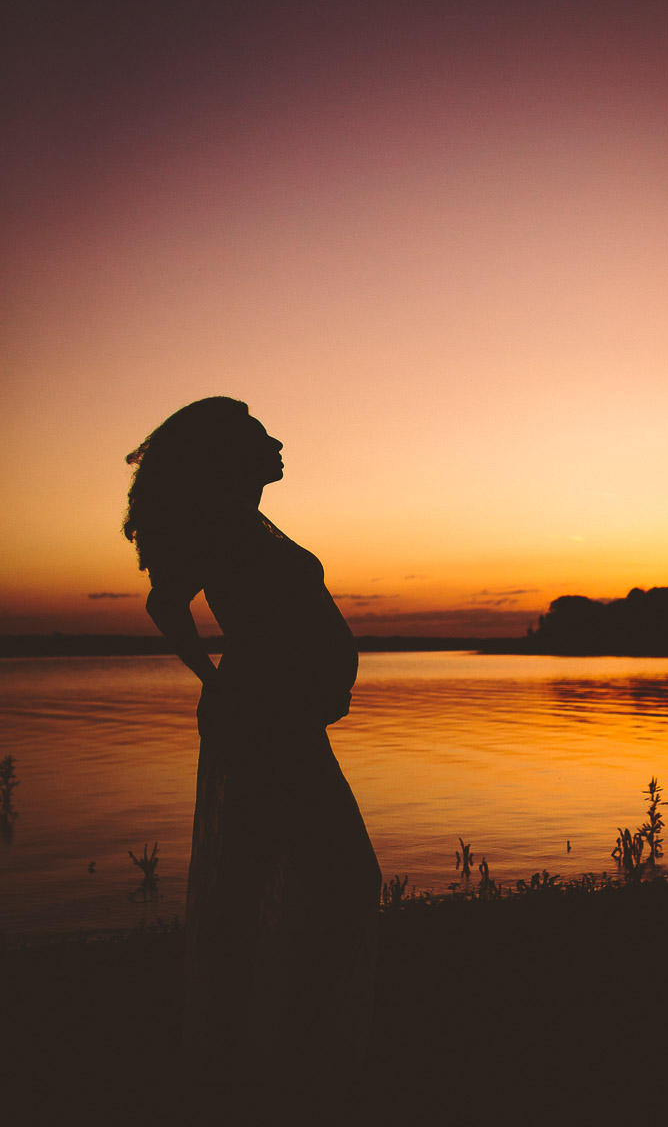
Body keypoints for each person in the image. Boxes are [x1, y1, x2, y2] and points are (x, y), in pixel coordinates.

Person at [123, 396, 381, 1111]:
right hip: (265, 716)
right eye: (258, 434)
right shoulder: (223, 518)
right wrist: (220, 680)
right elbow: (165, 604)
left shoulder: (244, 517)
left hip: (277, 712)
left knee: (275, 876)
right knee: (335, 876)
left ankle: (267, 1049)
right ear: (227, 452)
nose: (276, 441)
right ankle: (282, 1052)